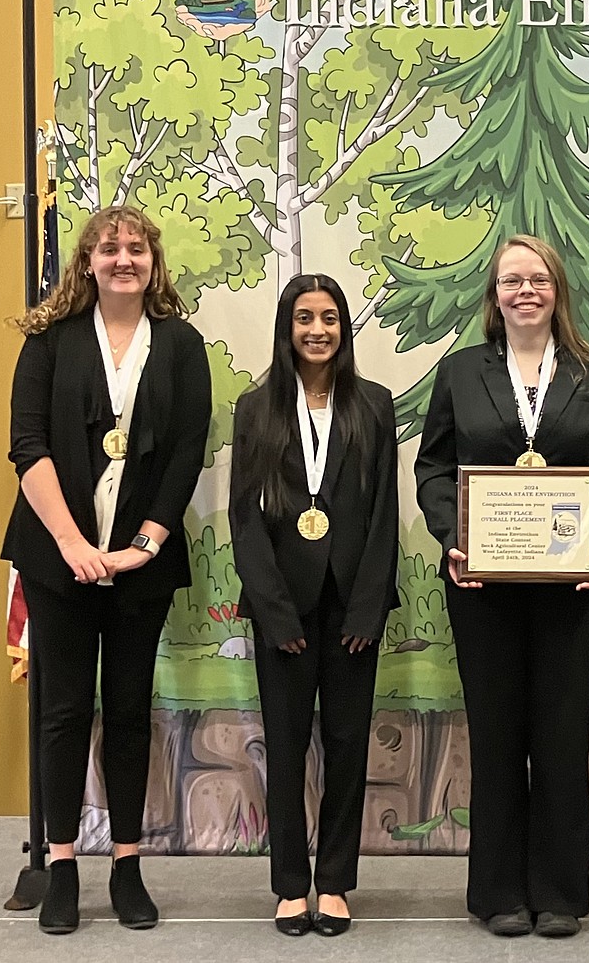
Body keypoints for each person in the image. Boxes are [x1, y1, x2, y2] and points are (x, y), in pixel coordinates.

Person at [414, 235, 589, 938]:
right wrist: (454, 536)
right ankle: (499, 893)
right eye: (512, 280)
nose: (525, 291)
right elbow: (432, 468)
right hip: (484, 586)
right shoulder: (459, 373)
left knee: (564, 734)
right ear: (495, 295)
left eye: (537, 279)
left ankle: (562, 892)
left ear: (556, 290)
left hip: (574, 586)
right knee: (498, 732)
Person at [1, 205, 212, 934]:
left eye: (138, 248)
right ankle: (62, 863)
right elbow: (28, 447)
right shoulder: (49, 341)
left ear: (155, 262)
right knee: (63, 712)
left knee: (127, 712)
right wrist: (72, 544)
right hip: (57, 559)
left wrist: (143, 544)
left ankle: (126, 863)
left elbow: (187, 449)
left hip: (140, 565)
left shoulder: (181, 345)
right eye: (110, 248)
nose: (125, 259)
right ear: (86, 261)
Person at [229, 273, 398, 938]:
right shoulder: (257, 408)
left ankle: (333, 883)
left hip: (352, 610)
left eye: (329, 317)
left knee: (349, 745)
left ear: (344, 327)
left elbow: (385, 513)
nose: (318, 329)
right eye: (305, 317)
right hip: (285, 612)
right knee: (288, 745)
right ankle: (290, 884)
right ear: (287, 327)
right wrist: (271, 610)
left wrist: (368, 609)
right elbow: (245, 518)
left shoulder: (374, 406)